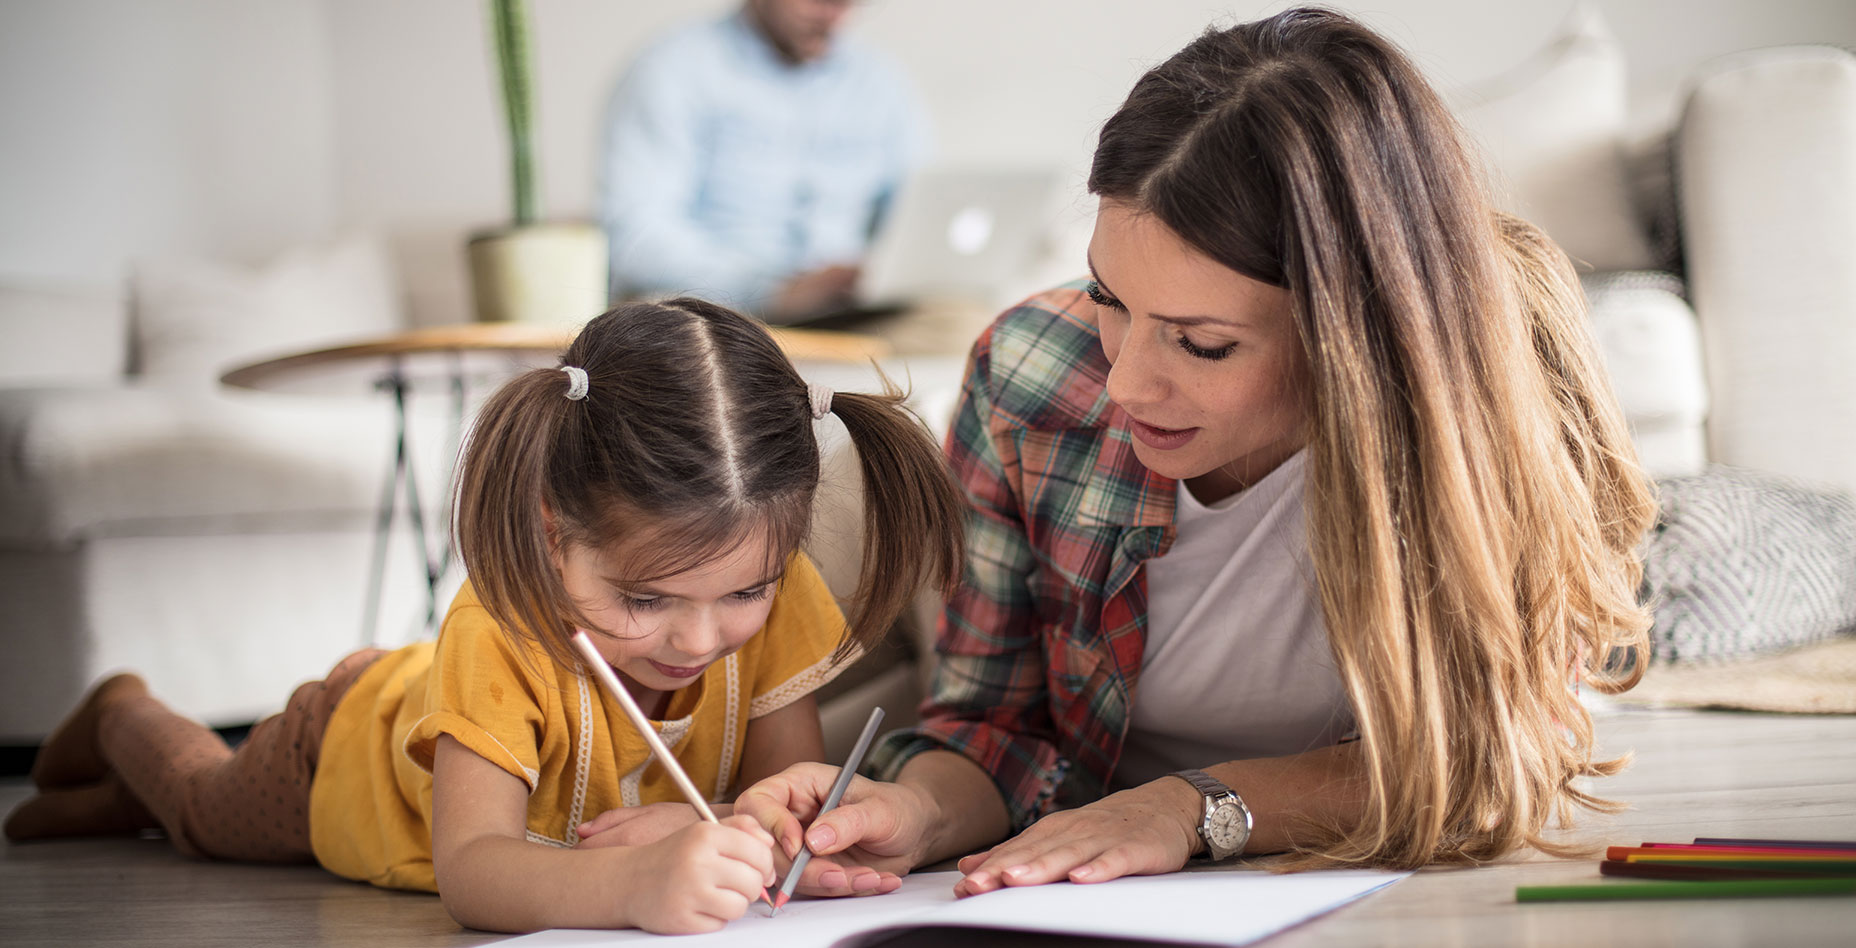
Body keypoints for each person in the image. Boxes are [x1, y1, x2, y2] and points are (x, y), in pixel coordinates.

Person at [738, 7, 1656, 897]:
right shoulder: (1027, 374)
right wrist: (912, 812)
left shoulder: (1495, 396)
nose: (1126, 384)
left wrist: (1193, 809)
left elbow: (1493, 764)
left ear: (1351, 331)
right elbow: (997, 729)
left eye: (1202, 343)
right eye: (1108, 299)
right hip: (1105, 880)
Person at [3, 298, 964, 934]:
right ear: (553, 536)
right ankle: (124, 710)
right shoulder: (500, 627)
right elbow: (473, 871)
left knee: (131, 825)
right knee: (201, 812)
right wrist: (638, 883)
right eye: (645, 599)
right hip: (337, 759)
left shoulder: (774, 593)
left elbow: (769, 791)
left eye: (743, 594)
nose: (701, 639)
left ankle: (100, 807)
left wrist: (771, 828)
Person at [599, 0, 929, 322]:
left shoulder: (879, 82)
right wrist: (768, 292)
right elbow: (634, 237)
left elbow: (915, 211)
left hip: (850, 314)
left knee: (956, 323)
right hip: (716, 319)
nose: (834, 17)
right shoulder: (672, 68)